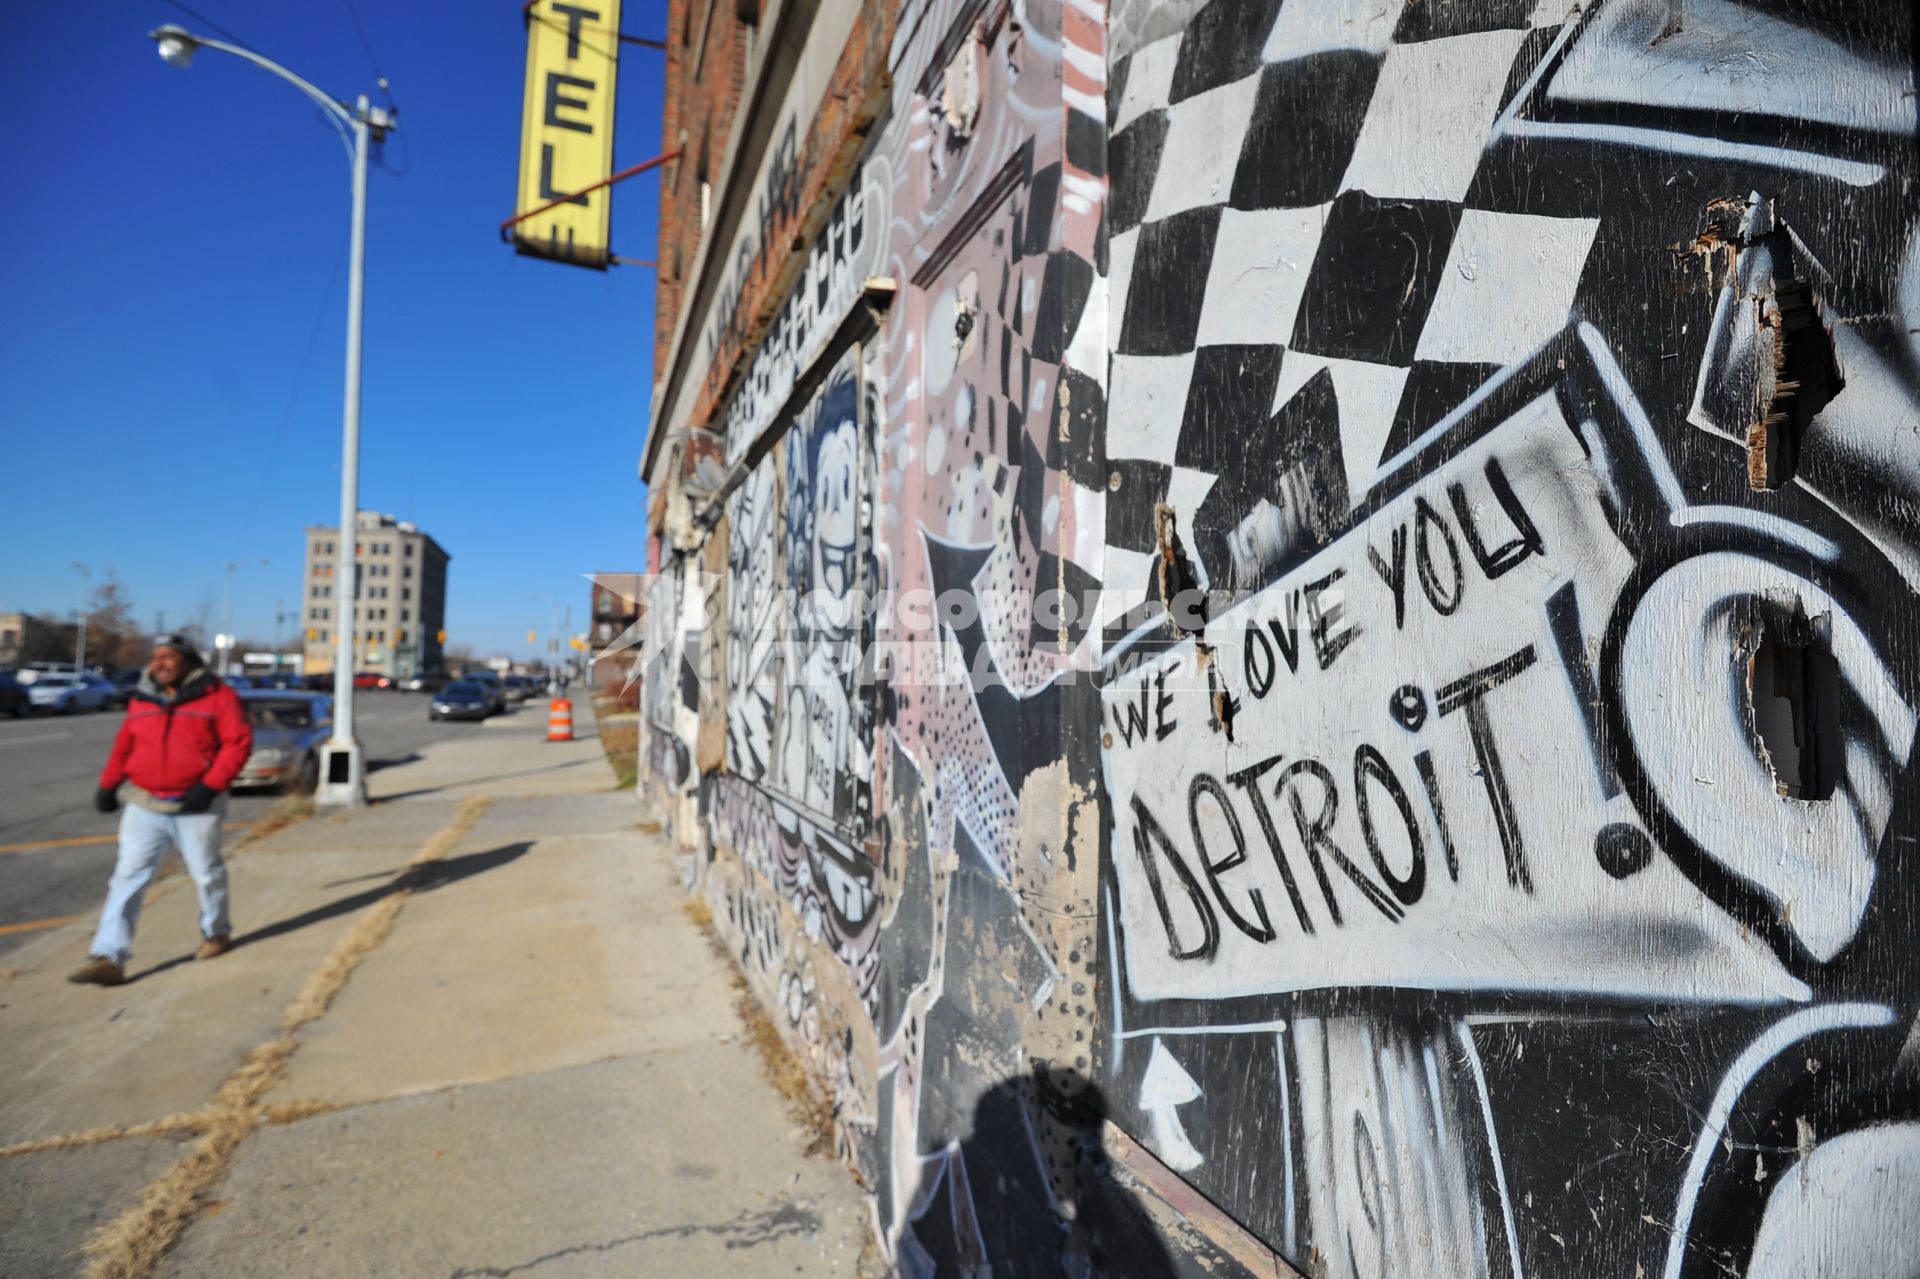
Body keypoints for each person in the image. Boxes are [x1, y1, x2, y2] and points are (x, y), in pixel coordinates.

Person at [68, 635, 253, 986]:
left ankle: (217, 933)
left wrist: (210, 786)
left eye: (168, 657)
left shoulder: (218, 696)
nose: (159, 664)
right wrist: (109, 784)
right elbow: (127, 743)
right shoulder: (143, 698)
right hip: (146, 802)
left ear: (188, 661)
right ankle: (110, 955)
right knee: (128, 876)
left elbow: (238, 743)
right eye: (155, 658)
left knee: (205, 872)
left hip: (197, 803)